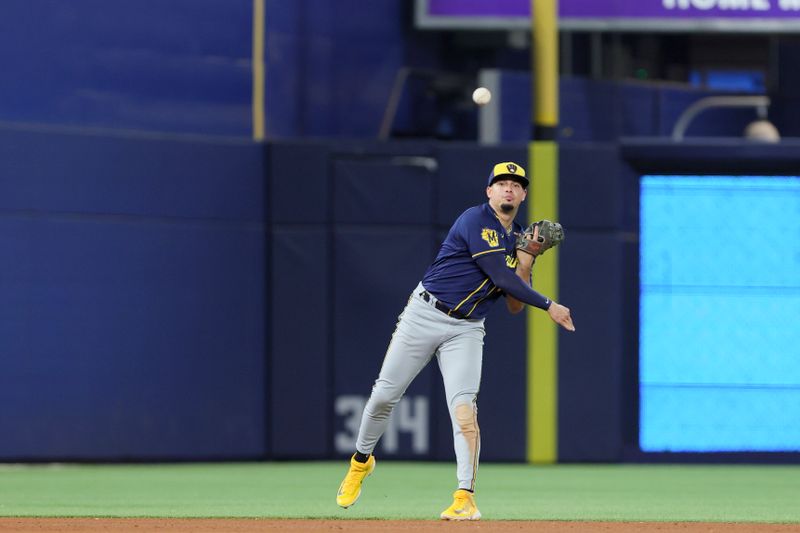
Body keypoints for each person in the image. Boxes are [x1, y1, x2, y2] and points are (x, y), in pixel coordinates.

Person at [335, 161, 575, 520]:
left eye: (516, 184)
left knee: (464, 411)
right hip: (425, 313)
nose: (508, 188)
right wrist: (549, 304)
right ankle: (361, 461)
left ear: (524, 194)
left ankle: (465, 497)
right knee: (384, 395)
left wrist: (526, 257)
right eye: (501, 182)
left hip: (467, 328)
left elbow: (511, 305)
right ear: (489, 191)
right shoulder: (474, 220)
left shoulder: (517, 239)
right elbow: (501, 277)